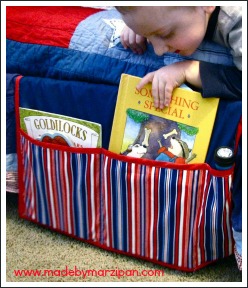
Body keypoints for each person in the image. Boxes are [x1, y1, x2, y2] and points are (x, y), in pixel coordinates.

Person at [115, 6, 242, 109]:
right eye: (148, 37)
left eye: (165, 34)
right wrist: (142, 25)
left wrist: (188, 70)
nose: (158, 51)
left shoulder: (239, 20)